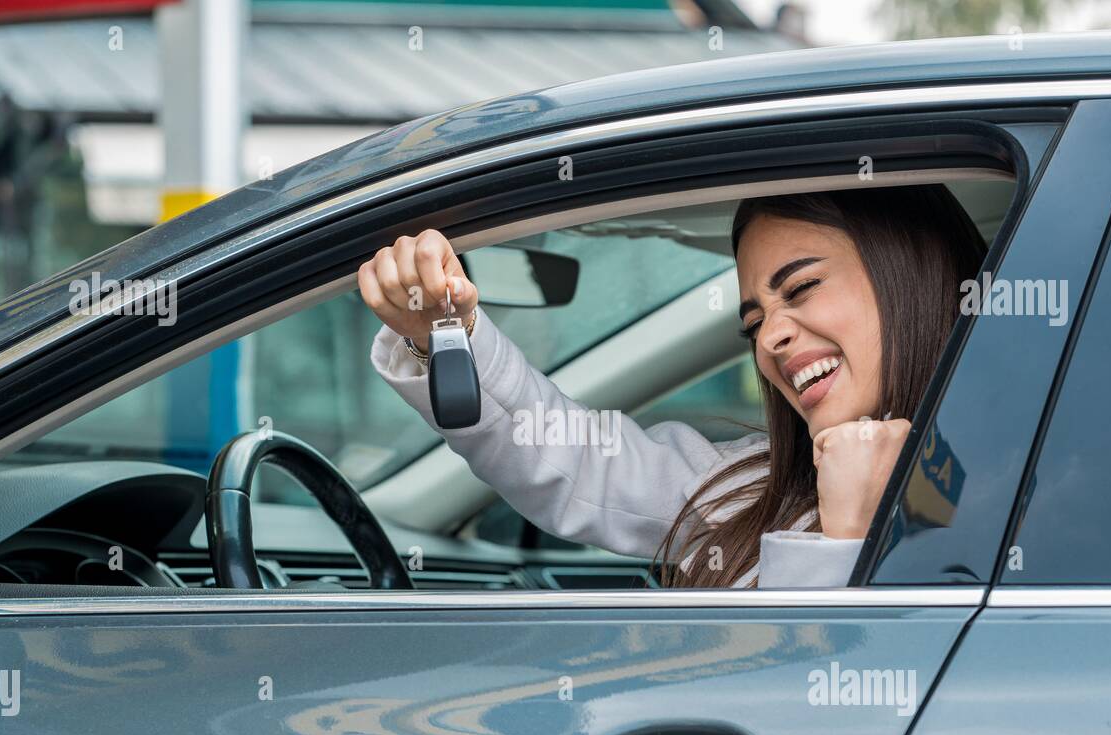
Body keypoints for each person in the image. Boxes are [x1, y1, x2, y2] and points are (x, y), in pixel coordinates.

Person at [360, 185, 986, 587]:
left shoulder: (1023, 509)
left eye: (799, 290)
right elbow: (578, 463)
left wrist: (847, 536)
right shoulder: (756, 488)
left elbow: (815, 726)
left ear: (912, 280)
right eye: (755, 322)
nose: (772, 339)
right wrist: (444, 332)